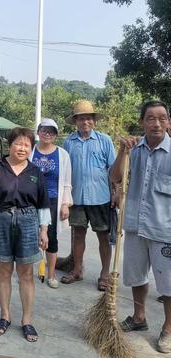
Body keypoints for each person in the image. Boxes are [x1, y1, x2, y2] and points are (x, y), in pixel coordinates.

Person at [0, 127, 50, 341]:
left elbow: (43, 204)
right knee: (4, 271)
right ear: (9, 145)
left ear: (31, 148)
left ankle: (27, 320)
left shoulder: (36, 172)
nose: (22, 148)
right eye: (18, 143)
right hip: (0, 220)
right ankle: (5, 315)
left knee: (26, 274)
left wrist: (44, 230)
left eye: (27, 145)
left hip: (29, 222)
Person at [111, 101, 171, 354]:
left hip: (165, 229)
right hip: (135, 224)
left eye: (162, 118)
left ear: (168, 122)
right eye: (150, 118)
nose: (156, 123)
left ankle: (168, 328)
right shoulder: (134, 150)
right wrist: (122, 152)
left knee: (168, 283)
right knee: (136, 275)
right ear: (142, 122)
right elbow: (115, 177)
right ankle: (138, 318)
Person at [60, 101, 115, 291]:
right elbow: (65, 172)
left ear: (94, 121)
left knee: (103, 237)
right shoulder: (68, 142)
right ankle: (77, 270)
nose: (85, 121)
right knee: (78, 235)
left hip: (101, 197)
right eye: (81, 118)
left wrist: (116, 193)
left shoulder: (104, 140)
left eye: (89, 118)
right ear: (76, 121)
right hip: (77, 198)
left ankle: (104, 275)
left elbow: (113, 170)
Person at [30, 118, 73, 289]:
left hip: (54, 200)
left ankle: (51, 274)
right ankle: (28, 271)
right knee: (29, 234)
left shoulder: (62, 154)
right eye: (44, 130)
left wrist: (65, 204)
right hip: (31, 199)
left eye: (51, 131)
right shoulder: (30, 151)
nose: (47, 134)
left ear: (55, 135)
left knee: (51, 237)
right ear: (39, 132)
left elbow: (67, 182)